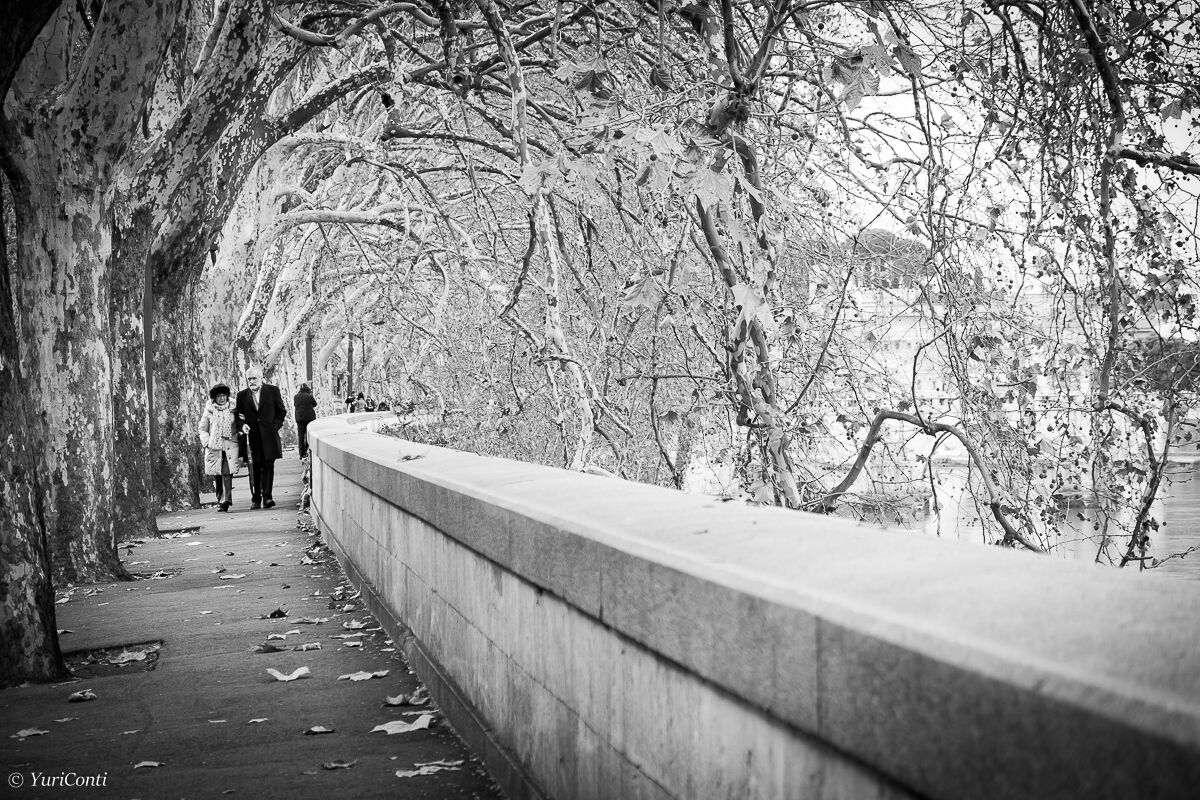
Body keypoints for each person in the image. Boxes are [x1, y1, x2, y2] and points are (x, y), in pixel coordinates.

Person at [235, 366, 287, 509]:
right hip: (252, 438)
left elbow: (281, 411)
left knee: (269, 466)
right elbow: (238, 417)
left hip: (269, 436)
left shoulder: (273, 391)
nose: (252, 381)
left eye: (254, 378)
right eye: (249, 379)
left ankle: (268, 497)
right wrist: (242, 425)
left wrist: (275, 426)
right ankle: (256, 498)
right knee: (255, 468)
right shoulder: (241, 396)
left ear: (261, 378)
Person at [198, 383, 239, 512]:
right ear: (214, 398)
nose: (222, 398)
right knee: (217, 474)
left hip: (230, 445)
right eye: (219, 396)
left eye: (224, 395)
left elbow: (240, 424)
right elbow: (202, 429)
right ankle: (220, 498)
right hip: (214, 447)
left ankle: (226, 500)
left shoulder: (234, 408)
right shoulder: (209, 410)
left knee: (227, 472)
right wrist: (207, 443)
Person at [294, 382, 318, 459]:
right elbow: (315, 404)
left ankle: (301, 454)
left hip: (300, 419)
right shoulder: (309, 396)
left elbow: (295, 405)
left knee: (301, 437)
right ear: (308, 390)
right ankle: (306, 451)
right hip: (309, 419)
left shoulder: (296, 397)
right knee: (309, 436)